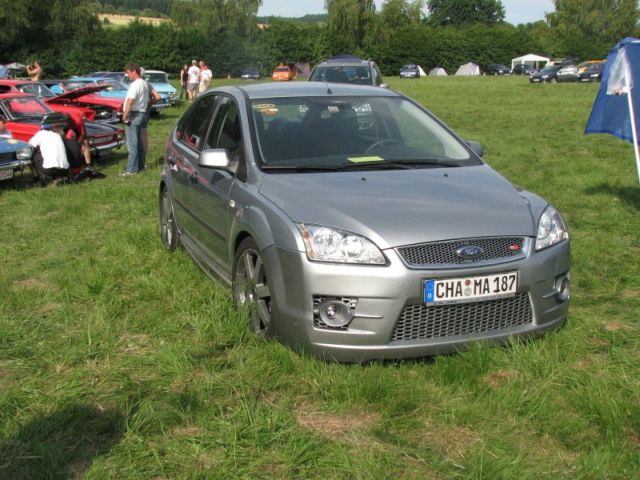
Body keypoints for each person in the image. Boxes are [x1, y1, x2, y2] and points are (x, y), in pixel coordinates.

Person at [121, 63, 149, 176]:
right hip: (143, 114)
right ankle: (140, 166)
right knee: (139, 143)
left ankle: (131, 170)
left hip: (134, 114)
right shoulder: (144, 83)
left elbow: (130, 101)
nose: (128, 76)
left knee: (132, 144)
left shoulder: (135, 84)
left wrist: (125, 115)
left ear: (134, 71)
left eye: (128, 73)